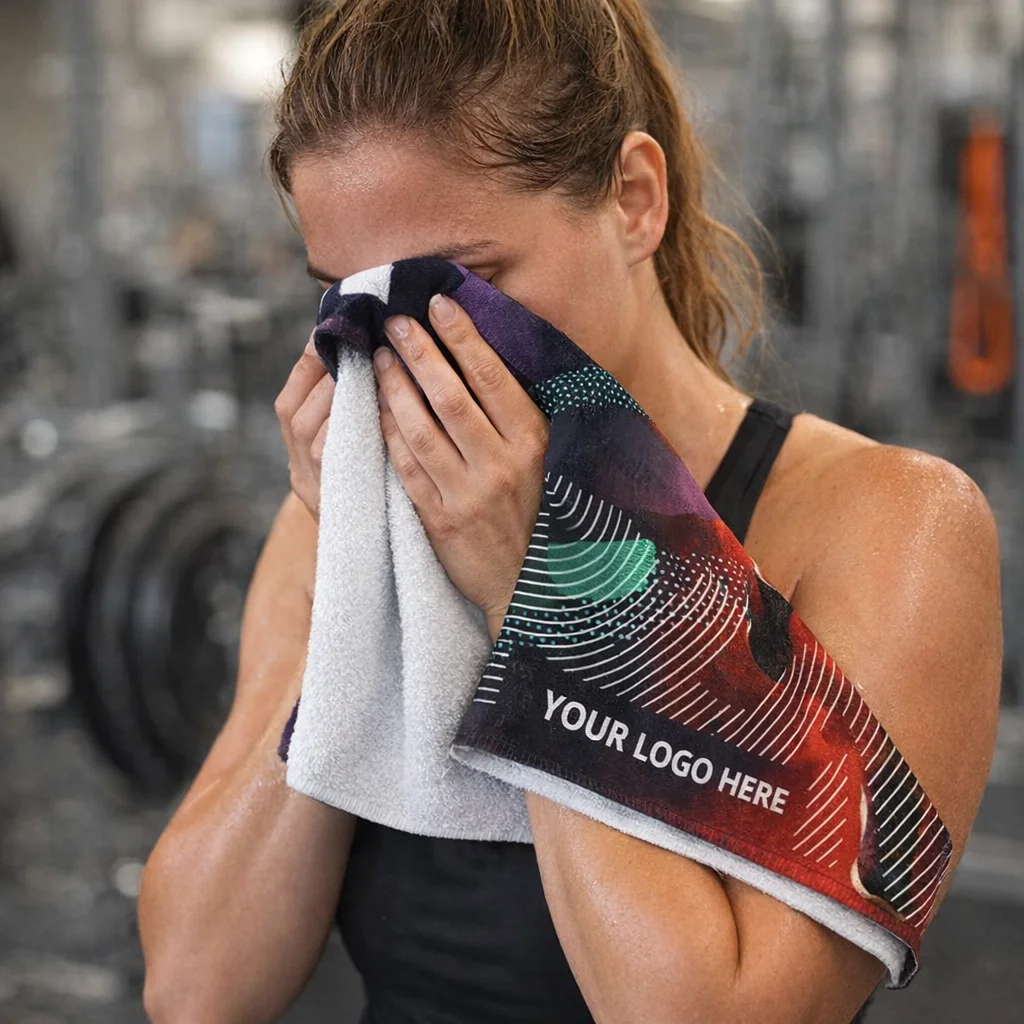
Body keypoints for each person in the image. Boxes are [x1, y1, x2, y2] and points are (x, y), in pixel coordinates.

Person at [137, 2, 1002, 1022]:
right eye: (352, 297)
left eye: (468, 282)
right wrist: (351, 565)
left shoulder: (886, 525)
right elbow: (197, 986)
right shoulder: (350, 516)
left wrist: (537, 591)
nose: (412, 350)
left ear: (634, 200)